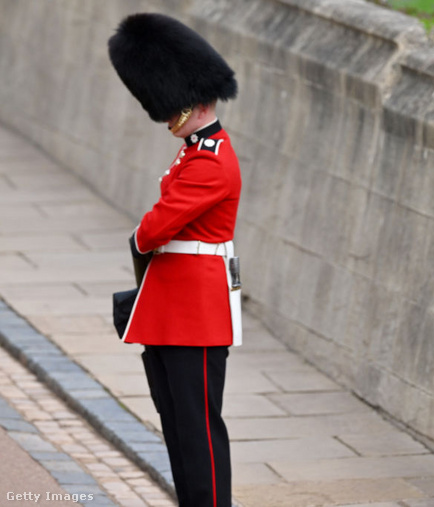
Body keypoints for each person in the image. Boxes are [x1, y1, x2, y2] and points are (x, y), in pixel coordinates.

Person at [108, 13, 241, 507]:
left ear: (193, 102)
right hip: (174, 308)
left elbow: (153, 229)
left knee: (199, 429)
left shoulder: (209, 161)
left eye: (170, 109)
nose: (166, 118)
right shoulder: (193, 152)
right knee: (177, 424)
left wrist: (143, 236)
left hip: (196, 315)